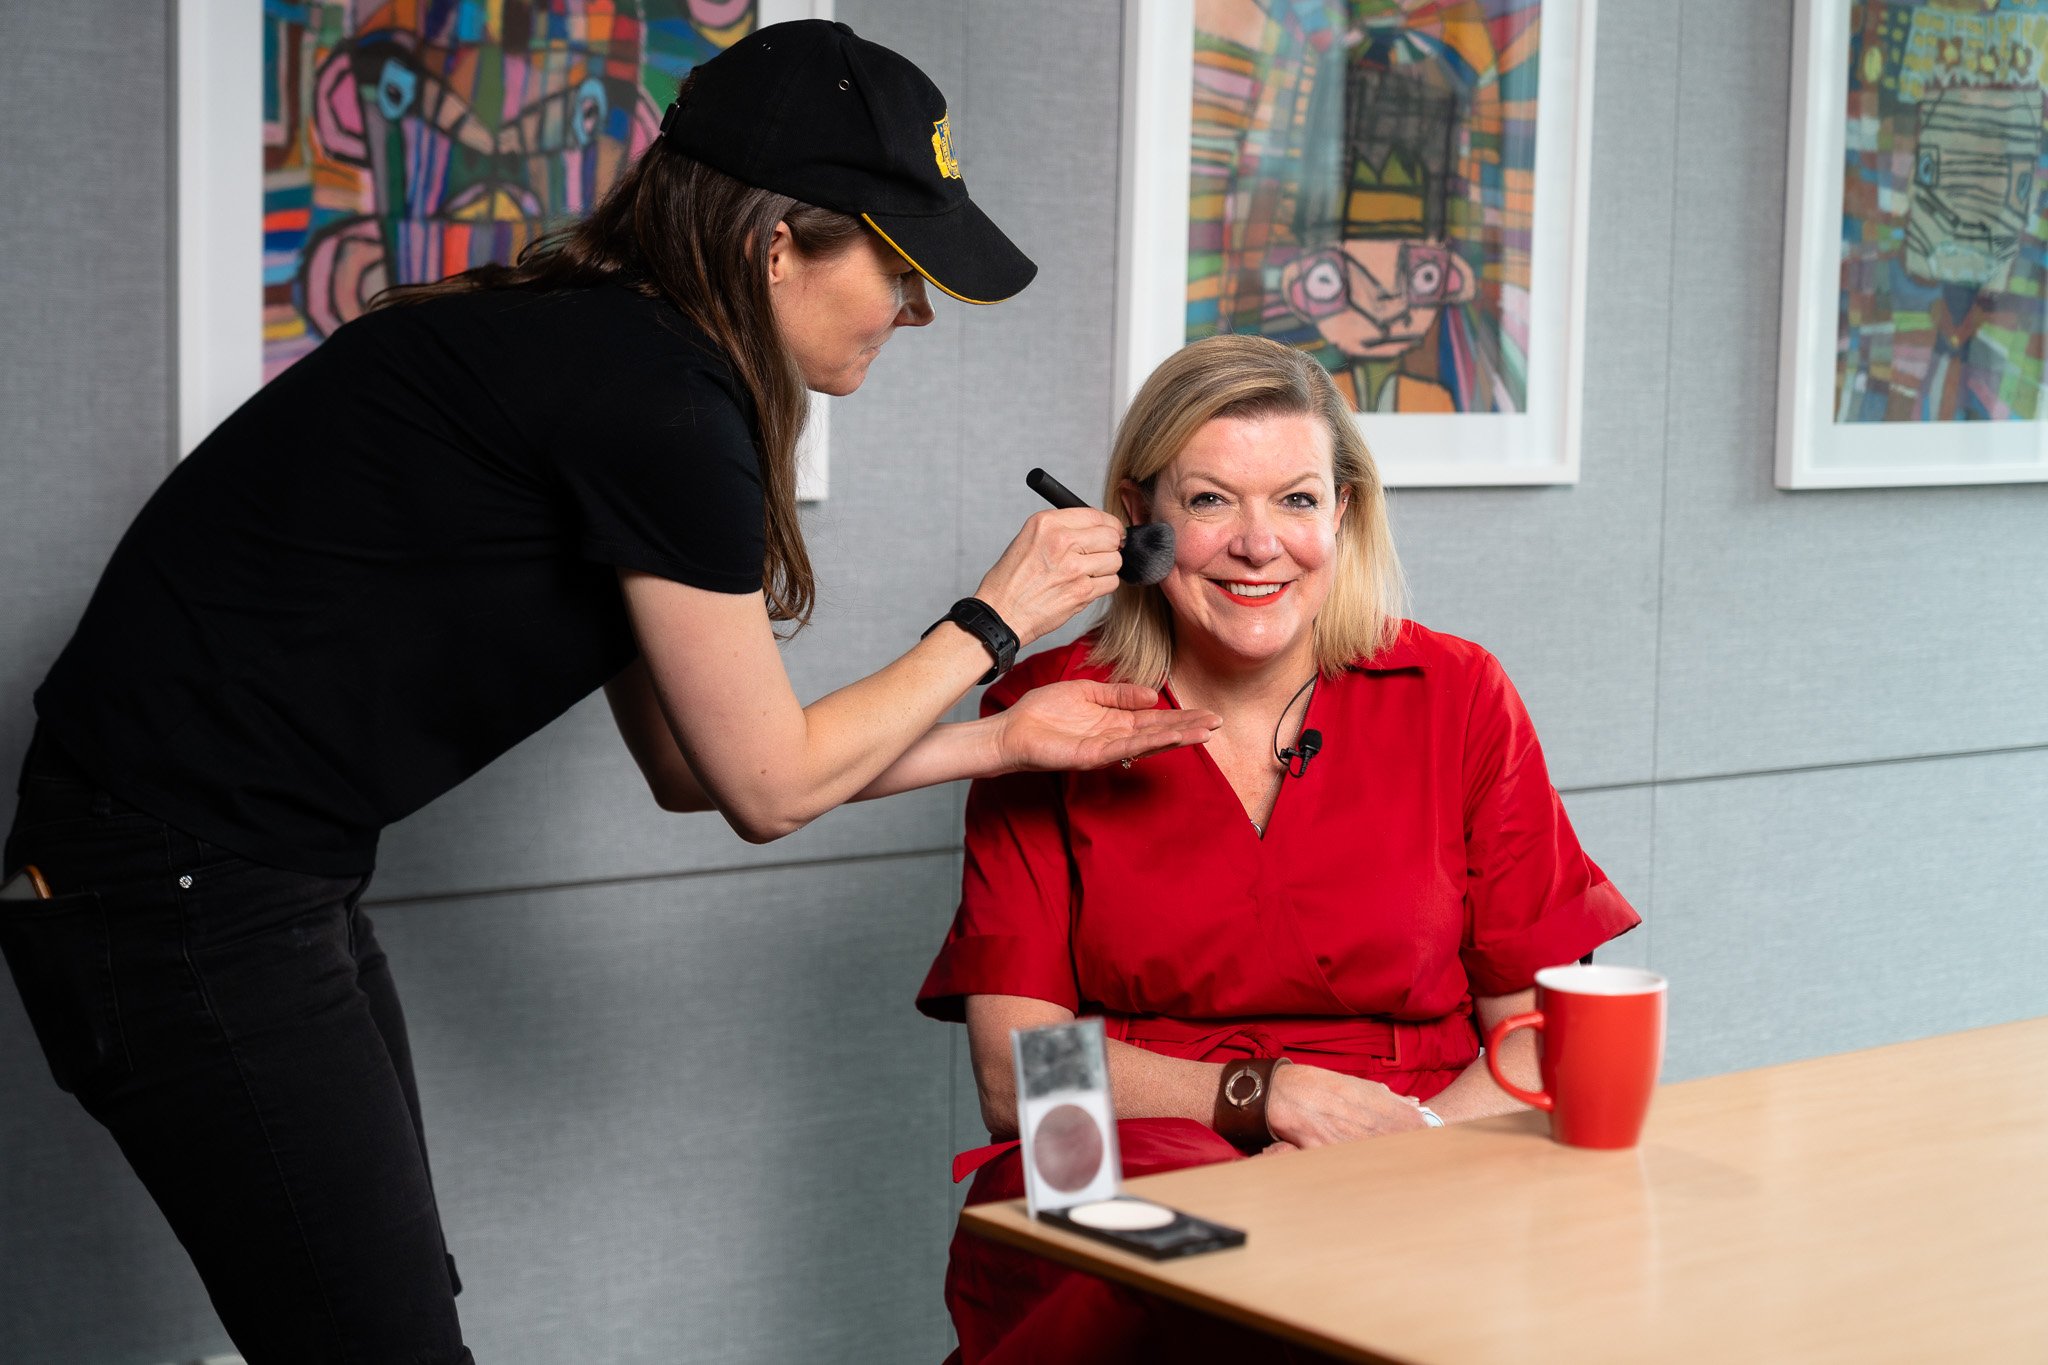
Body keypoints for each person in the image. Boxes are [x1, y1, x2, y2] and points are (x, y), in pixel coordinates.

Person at [0, 21, 1217, 1365]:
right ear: (777, 245)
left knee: (384, 1324)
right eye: (897, 268)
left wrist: (1005, 739)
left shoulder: (607, 351)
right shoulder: (656, 400)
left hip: (237, 873)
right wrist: (995, 621)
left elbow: (700, 769)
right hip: (174, 889)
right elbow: (767, 788)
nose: (914, 311)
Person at [916, 333, 1641, 1364]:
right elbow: (1015, 1075)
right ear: (1136, 515)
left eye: (1295, 500)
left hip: (1420, 1139)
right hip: (1105, 1145)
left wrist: (1400, 1158)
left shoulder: (1458, 693)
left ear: (1341, 512)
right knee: (1219, 1295)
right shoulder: (1046, 712)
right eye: (1210, 500)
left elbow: (1540, 1036)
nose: (1259, 545)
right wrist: (1265, 1096)